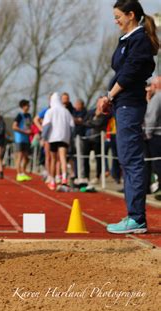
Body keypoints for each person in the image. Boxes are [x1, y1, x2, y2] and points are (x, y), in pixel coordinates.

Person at [100, 0, 159, 234]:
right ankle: (133, 216)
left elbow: (131, 71)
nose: (116, 21)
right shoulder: (127, 40)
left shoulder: (140, 40)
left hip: (129, 105)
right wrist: (108, 97)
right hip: (122, 104)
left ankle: (136, 218)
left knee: (131, 159)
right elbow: (121, 72)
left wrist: (110, 95)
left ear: (131, 14)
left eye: (118, 17)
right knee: (126, 158)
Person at [42, 93, 75, 190]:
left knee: (53, 159)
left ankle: (52, 181)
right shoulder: (66, 111)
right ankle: (64, 178)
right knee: (62, 158)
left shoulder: (50, 111)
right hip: (64, 138)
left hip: (53, 138)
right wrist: (70, 137)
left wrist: (44, 137)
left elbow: (46, 125)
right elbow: (72, 126)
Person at [12, 99, 32, 182]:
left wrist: (30, 131)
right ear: (23, 107)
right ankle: (18, 174)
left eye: (29, 105)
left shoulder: (29, 116)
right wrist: (24, 131)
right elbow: (14, 126)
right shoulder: (19, 115)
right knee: (19, 156)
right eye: (27, 105)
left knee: (26, 157)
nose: (28, 107)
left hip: (26, 139)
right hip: (19, 138)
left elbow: (29, 126)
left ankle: (23, 172)